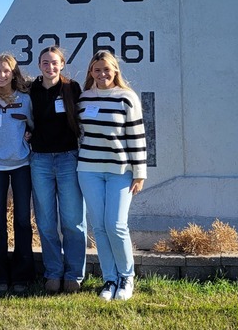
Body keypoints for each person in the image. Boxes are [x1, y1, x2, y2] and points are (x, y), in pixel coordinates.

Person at [77, 50, 147, 301]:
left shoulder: (127, 98)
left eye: (107, 69)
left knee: (115, 225)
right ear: (91, 72)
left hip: (120, 171)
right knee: (99, 226)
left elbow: (137, 136)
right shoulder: (83, 99)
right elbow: (77, 134)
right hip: (88, 170)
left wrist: (139, 173)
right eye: (97, 70)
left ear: (115, 70)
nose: (102, 74)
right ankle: (110, 279)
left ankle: (127, 278)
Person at [28, 45, 86, 293]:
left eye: (54, 62)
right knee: (46, 220)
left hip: (68, 159)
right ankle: (53, 271)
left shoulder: (71, 88)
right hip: (39, 160)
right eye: (45, 62)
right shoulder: (30, 89)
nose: (50, 67)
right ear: (39, 65)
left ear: (62, 64)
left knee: (73, 220)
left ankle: (74, 273)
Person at [0, 53, 35, 292]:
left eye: (6, 71)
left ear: (14, 73)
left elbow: (33, 126)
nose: (1, 75)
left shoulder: (25, 99)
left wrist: (29, 135)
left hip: (22, 164)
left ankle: (22, 275)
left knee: (23, 220)